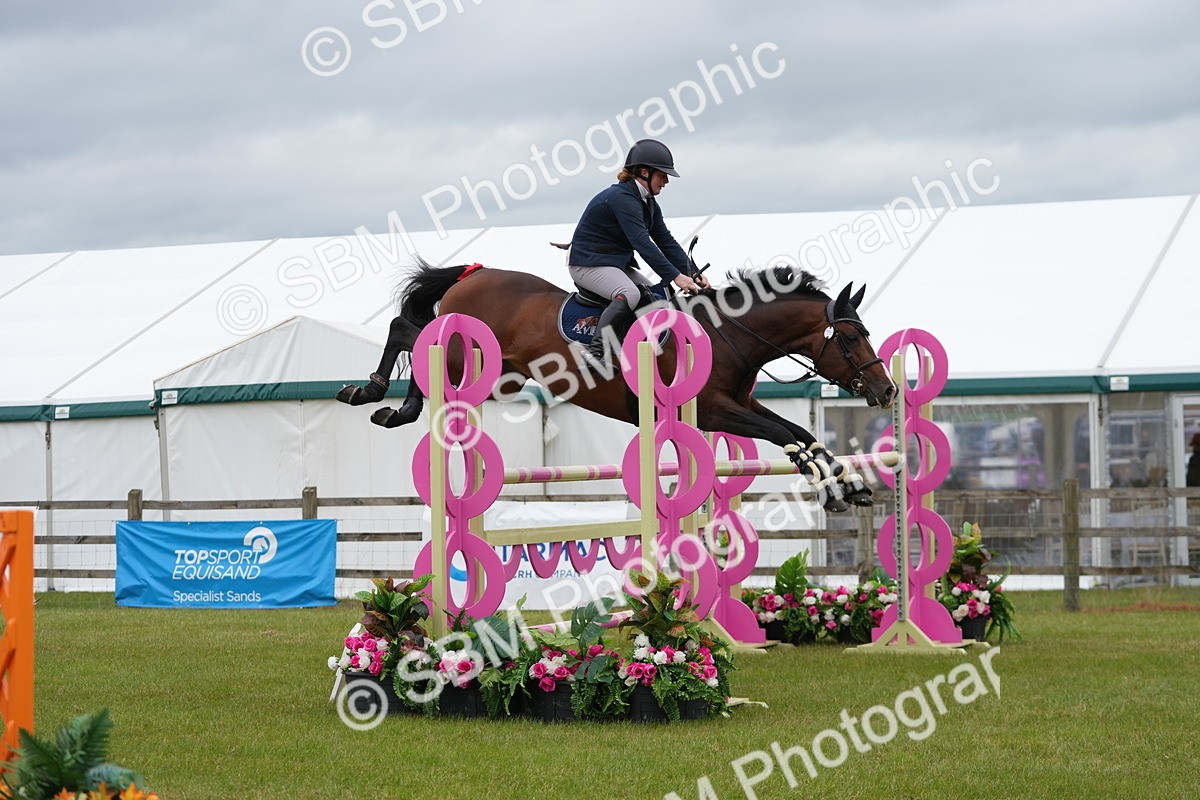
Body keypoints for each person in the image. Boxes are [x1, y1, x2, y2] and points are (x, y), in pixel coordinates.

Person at [568, 138, 710, 370]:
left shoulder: (648, 204)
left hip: (613, 264)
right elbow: (642, 243)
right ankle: (594, 355)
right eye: (662, 175)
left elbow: (666, 241)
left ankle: (632, 349)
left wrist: (691, 272)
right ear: (644, 172)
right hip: (587, 264)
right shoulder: (622, 198)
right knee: (629, 294)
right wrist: (675, 276)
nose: (666, 181)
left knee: (655, 296)